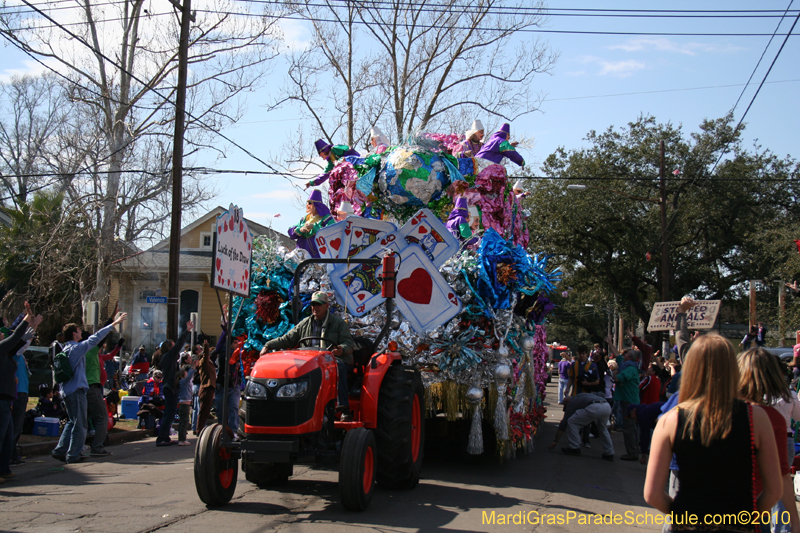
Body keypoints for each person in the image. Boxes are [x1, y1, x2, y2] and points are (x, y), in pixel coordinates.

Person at [644, 334, 782, 530]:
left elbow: (652, 494)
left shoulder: (670, 420)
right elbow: (774, 490)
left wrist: (682, 516)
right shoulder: (756, 417)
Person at [261, 291, 355, 420]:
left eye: (318, 304)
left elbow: (349, 343)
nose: (315, 308)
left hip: (332, 359)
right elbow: (287, 339)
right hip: (311, 362)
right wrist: (268, 345)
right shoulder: (305, 324)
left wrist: (341, 350)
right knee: (295, 370)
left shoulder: (339, 324)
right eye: (313, 305)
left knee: (337, 366)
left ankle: (343, 406)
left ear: (326, 306)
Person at [52, 311, 127, 464]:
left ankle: (60, 450)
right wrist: (113, 324)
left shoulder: (66, 349)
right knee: (80, 424)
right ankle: (73, 455)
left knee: (72, 422)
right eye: (79, 331)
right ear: (74, 334)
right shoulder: (76, 349)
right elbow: (95, 338)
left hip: (67, 391)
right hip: (76, 391)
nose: (81, 333)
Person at [738, 348, 800, 533]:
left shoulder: (714, 413)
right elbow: (780, 478)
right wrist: (794, 522)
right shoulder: (772, 417)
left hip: (711, 508)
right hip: (754, 507)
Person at [1, 303, 41, 482]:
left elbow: (21, 341)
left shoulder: (6, 355)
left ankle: (4, 468)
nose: (3, 333)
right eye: (1, 333)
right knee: (2, 435)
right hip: (2, 400)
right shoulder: (2, 349)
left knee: (8, 435)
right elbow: (18, 336)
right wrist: (28, 318)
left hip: (7, 399)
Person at [155, 320, 193, 447]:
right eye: (173, 345)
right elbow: (178, 345)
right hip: (170, 388)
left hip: (170, 387)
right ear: (169, 347)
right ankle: (161, 438)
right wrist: (186, 331)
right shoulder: (169, 355)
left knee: (168, 414)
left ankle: (165, 436)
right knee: (169, 415)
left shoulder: (167, 357)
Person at [548, 392, 614, 461]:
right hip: (606, 405)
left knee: (571, 421)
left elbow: (564, 422)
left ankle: (574, 447)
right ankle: (609, 453)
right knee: (603, 429)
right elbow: (601, 394)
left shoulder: (572, 402)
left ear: (567, 401)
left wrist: (556, 440)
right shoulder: (582, 395)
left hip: (594, 407)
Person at [612, 347, 641, 461]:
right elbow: (618, 356)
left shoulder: (630, 369)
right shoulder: (628, 366)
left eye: (626, 355)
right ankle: (633, 450)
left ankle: (632, 452)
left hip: (630, 402)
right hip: (629, 400)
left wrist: (615, 373)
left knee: (628, 428)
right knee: (631, 427)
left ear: (630, 358)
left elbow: (619, 378)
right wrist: (609, 342)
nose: (623, 356)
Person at [288, 189, 335, 258]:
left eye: (310, 203)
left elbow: (331, 233)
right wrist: (300, 229)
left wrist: (314, 227)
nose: (307, 205)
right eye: (307, 203)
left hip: (320, 258)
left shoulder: (326, 219)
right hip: (302, 259)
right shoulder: (304, 219)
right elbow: (291, 232)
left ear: (316, 205)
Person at [195, 339, 217, 436]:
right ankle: (199, 430)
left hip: (209, 388)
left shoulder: (207, 364)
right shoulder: (204, 363)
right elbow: (206, 354)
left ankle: (200, 428)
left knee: (205, 410)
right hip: (206, 388)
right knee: (203, 411)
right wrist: (206, 346)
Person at [177, 364, 195, 446]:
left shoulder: (184, 382)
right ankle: (181, 439)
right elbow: (189, 377)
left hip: (186, 403)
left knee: (184, 421)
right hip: (184, 404)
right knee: (184, 422)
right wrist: (193, 368)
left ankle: (182, 438)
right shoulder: (182, 382)